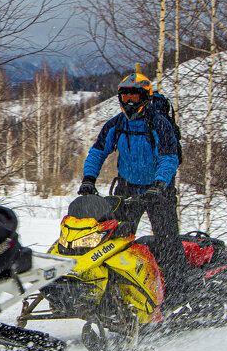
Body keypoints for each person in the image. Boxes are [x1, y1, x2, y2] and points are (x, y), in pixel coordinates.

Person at [77, 71, 194, 306]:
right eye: (125, 98)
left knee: (167, 241)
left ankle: (180, 294)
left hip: (158, 192)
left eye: (134, 98)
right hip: (127, 190)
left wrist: (160, 183)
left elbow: (169, 157)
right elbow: (98, 151)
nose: (129, 103)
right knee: (112, 238)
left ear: (146, 98)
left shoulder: (158, 123)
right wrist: (89, 178)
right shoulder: (117, 124)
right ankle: (112, 289)